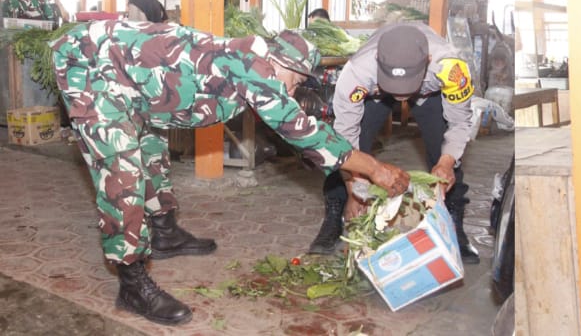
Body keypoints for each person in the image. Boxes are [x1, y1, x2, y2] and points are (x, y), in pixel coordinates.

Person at [51, 22, 409, 325]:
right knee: (122, 173)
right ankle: (132, 284)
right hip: (88, 64)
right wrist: (375, 168)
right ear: (280, 63)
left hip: (128, 79)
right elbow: (305, 133)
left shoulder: (255, 61)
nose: (292, 91)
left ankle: (163, 233)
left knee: (151, 147)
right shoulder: (256, 70)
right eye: (296, 82)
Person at [310, 21, 480, 260]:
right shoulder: (357, 71)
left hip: (430, 93)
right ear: (378, 60)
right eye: (396, 86)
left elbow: (459, 123)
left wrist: (447, 162)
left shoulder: (451, 69)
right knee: (352, 151)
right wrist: (353, 190)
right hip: (375, 93)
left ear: (429, 60)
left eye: (406, 86)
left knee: (441, 148)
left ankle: (452, 219)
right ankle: (334, 214)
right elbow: (344, 138)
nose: (401, 95)